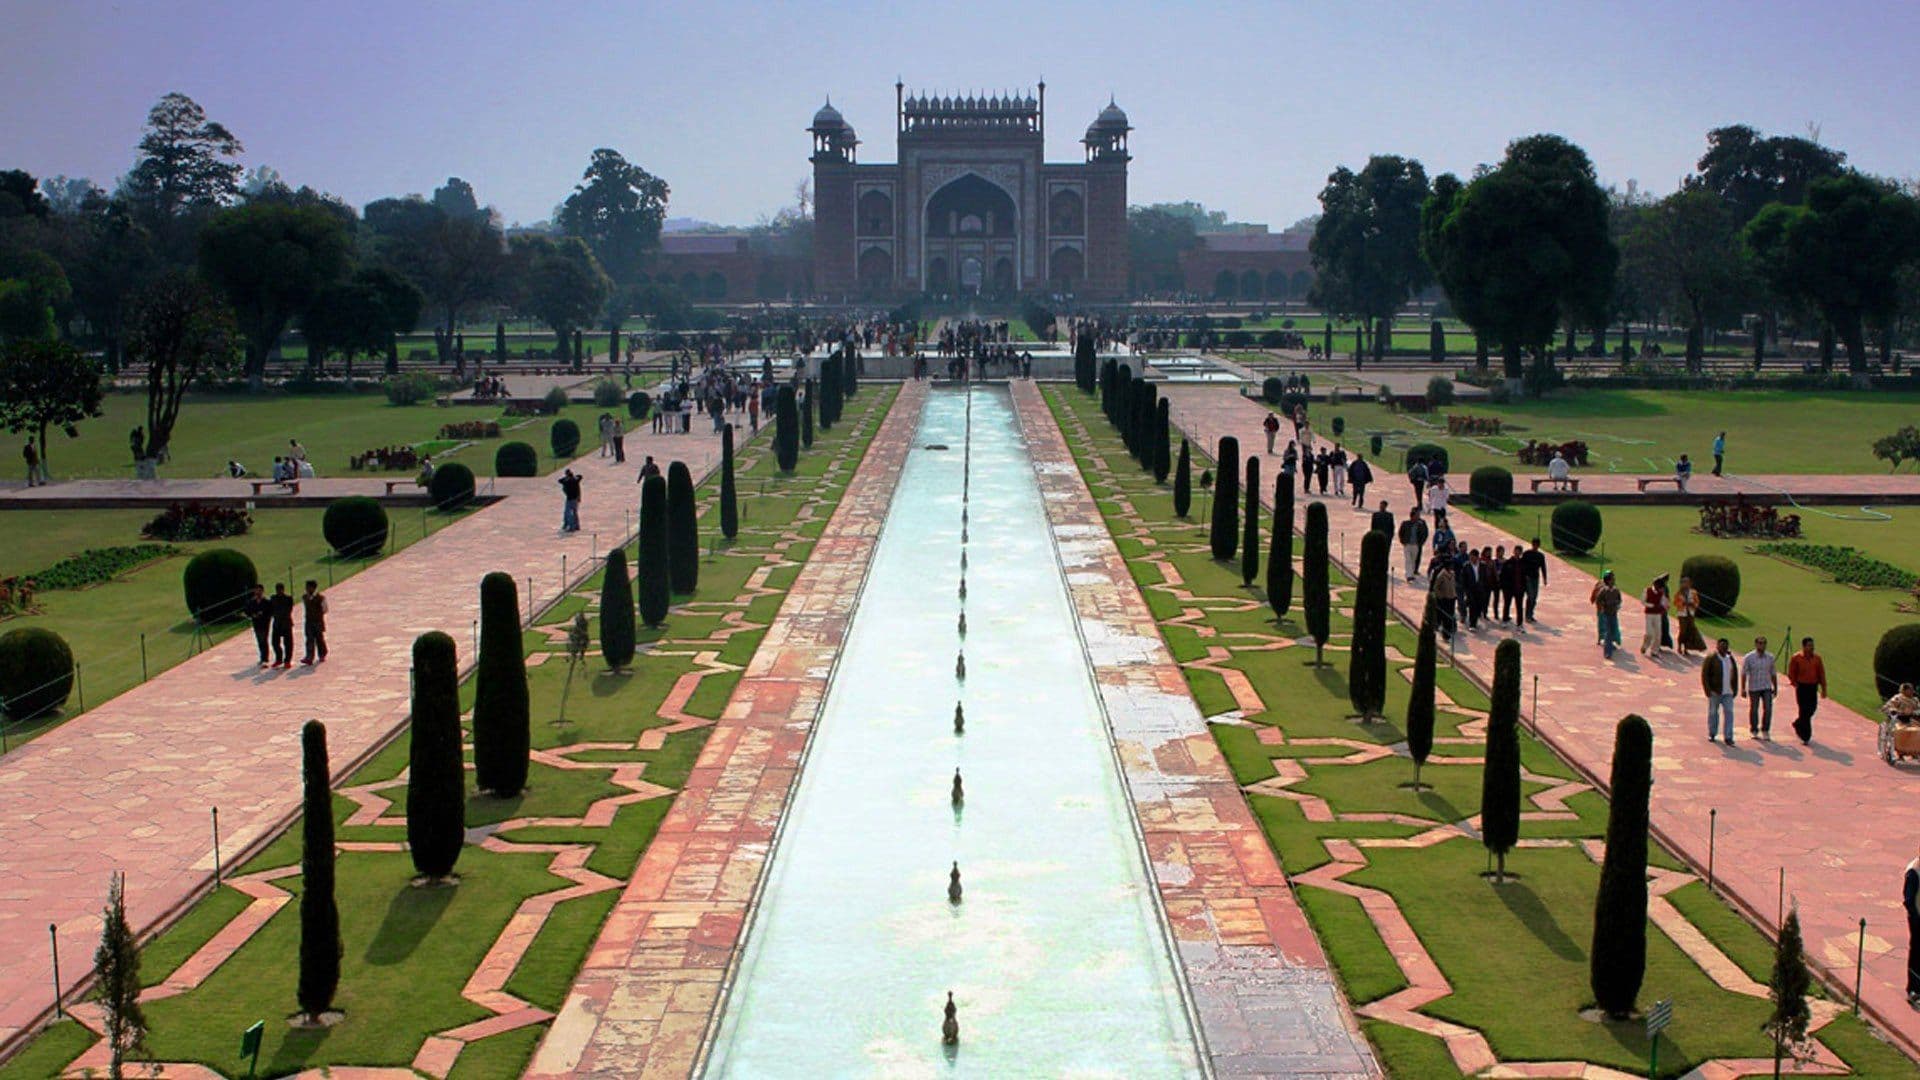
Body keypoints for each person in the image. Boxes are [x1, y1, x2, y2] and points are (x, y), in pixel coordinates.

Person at [1786, 637, 1826, 744]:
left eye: (1812, 645)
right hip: (1802, 687)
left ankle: (1798, 723)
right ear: (1804, 646)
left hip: (1813, 687)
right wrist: (1795, 683)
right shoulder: (1797, 658)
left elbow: (1821, 674)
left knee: (1812, 709)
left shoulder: (1817, 659)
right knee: (1804, 710)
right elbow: (1791, 672)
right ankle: (1805, 735)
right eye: (1809, 645)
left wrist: (1824, 689)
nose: (1811, 647)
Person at [1702, 637, 1739, 745]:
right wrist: (1707, 690)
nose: (1723, 648)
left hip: (1728, 692)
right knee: (1713, 713)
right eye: (1721, 646)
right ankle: (1712, 733)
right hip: (1715, 691)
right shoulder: (1711, 658)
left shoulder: (1730, 659)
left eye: (1725, 646)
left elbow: (1735, 674)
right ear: (1717, 646)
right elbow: (1705, 675)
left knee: (1729, 713)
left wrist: (1735, 689)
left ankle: (1728, 737)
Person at [1740, 636, 1777, 740]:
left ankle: (1765, 729)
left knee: (1768, 709)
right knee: (1754, 709)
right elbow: (1744, 673)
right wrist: (1743, 688)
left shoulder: (1770, 657)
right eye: (1760, 643)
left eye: (1764, 643)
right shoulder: (1749, 657)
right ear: (1756, 644)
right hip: (1754, 687)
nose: (1762, 645)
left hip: (1766, 687)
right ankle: (1754, 729)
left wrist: (1775, 687)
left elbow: (1773, 673)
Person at [1591, 570, 1622, 658]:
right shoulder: (1603, 589)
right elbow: (1597, 599)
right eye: (1612, 578)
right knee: (1607, 630)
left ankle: (1612, 642)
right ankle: (1608, 650)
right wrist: (1601, 608)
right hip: (1605, 613)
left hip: (1613, 613)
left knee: (1612, 629)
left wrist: (1617, 606)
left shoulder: (1615, 590)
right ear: (1608, 580)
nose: (1614, 580)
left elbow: (1619, 600)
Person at [1672, 576, 1706, 656]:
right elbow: (1675, 602)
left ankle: (1687, 647)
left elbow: (1697, 602)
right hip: (1682, 614)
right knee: (1683, 631)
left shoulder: (1693, 592)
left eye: (1687, 583)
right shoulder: (1679, 593)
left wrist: (1693, 605)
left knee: (1689, 630)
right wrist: (1682, 604)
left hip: (1690, 613)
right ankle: (1680, 645)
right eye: (1684, 583)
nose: (1685, 585)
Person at [1519, 538, 1548, 623]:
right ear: (1532, 544)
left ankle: (1530, 614)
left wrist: (1545, 578)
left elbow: (1543, 567)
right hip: (1528, 577)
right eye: (1534, 544)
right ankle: (1527, 615)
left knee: (1534, 598)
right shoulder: (1527, 554)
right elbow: (1522, 565)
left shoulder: (1540, 556)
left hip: (1535, 578)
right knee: (1530, 596)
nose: (1535, 546)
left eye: (1537, 545)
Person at [1905, 847, 1920, 1008]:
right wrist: (1916, 920)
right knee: (1917, 953)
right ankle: (1914, 989)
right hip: (1918, 920)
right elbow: (1909, 900)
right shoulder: (1914, 872)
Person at [243, 583, 272, 667]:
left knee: (263, 639)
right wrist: (252, 615)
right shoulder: (251, 602)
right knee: (259, 640)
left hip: (264, 623)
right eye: (256, 590)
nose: (258, 592)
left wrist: (263, 615)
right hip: (256, 623)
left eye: (260, 590)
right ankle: (262, 657)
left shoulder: (266, 602)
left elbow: (270, 612)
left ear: (262, 591)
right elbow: (247, 611)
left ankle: (265, 658)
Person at [1640, 574, 1670, 657]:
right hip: (1649, 614)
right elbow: (1643, 601)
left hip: (1657, 615)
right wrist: (1652, 606)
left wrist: (1665, 606)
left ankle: (1654, 651)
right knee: (1649, 632)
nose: (1661, 589)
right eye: (1660, 587)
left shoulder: (1661, 593)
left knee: (1658, 633)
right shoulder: (1647, 590)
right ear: (1656, 585)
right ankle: (1645, 646)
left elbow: (1664, 602)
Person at [300, 580, 328, 665]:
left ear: (313, 588)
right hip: (308, 621)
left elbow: (325, 609)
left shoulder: (321, 598)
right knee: (309, 639)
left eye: (308, 587)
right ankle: (309, 657)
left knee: (319, 639)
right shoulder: (304, 597)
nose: (307, 589)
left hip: (318, 621)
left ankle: (322, 654)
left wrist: (318, 615)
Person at [268, 583, 296, 668]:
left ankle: (287, 660)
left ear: (283, 589)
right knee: (274, 642)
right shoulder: (273, 598)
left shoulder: (288, 598)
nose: (279, 591)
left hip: (286, 623)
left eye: (280, 589)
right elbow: (271, 609)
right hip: (277, 623)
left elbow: (289, 610)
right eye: (277, 590)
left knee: (288, 643)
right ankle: (279, 659)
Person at [1430, 557, 1458, 640]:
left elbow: (1453, 585)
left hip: (1452, 598)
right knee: (1445, 616)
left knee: (1451, 614)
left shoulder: (1452, 574)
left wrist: (1454, 594)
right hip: (1445, 598)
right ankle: (1445, 634)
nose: (1451, 567)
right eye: (1450, 565)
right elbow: (1436, 587)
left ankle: (1450, 629)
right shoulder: (1441, 575)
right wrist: (1440, 596)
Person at [1397, 508, 1429, 582]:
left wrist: (1421, 543)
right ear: (1412, 516)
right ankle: (1408, 575)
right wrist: (1403, 541)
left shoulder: (1420, 524)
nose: (1418, 517)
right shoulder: (1405, 523)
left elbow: (1424, 533)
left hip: (1415, 545)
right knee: (1408, 560)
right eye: (1416, 516)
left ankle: (1412, 574)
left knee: (1413, 560)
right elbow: (1401, 532)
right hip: (1407, 544)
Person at [558, 468, 583, 532]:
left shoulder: (567, 482)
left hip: (570, 499)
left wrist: (566, 478)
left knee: (568, 513)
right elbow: (580, 476)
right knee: (575, 512)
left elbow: (560, 481)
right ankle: (577, 526)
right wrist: (574, 476)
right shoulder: (576, 480)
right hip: (576, 499)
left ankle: (571, 526)